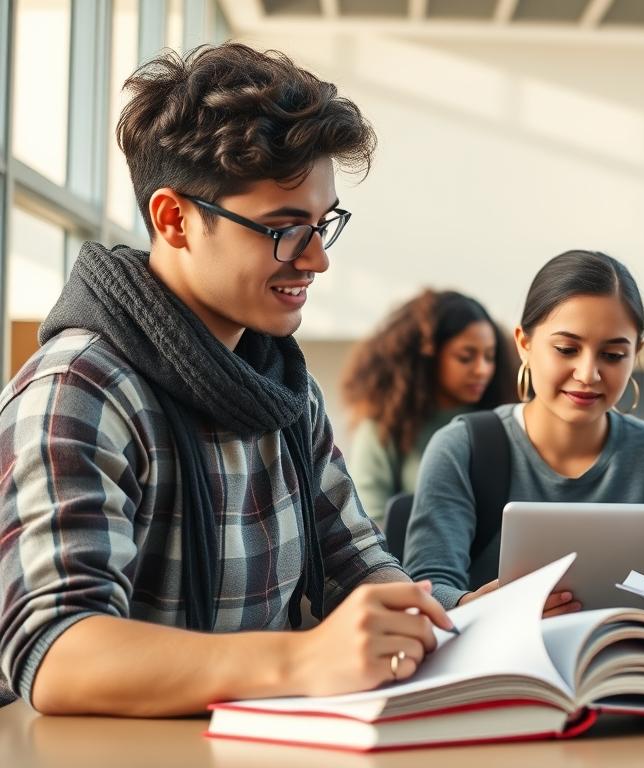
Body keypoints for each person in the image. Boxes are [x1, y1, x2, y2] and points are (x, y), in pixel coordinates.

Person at [0, 44, 450, 716]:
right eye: (284, 229)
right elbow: (57, 654)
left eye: (322, 224)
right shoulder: (82, 388)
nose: (318, 259)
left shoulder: (285, 387)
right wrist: (301, 658)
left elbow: (356, 563)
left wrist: (448, 619)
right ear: (174, 219)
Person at [403, 250, 644, 615]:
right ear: (524, 344)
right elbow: (428, 590)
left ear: (636, 352)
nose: (588, 373)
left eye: (613, 355)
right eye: (566, 349)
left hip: (633, 664)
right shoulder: (462, 448)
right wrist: (484, 609)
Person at [342, 289, 516, 525]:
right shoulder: (384, 428)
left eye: (489, 356)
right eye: (466, 357)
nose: (482, 369)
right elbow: (371, 523)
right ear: (428, 356)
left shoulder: (503, 422)